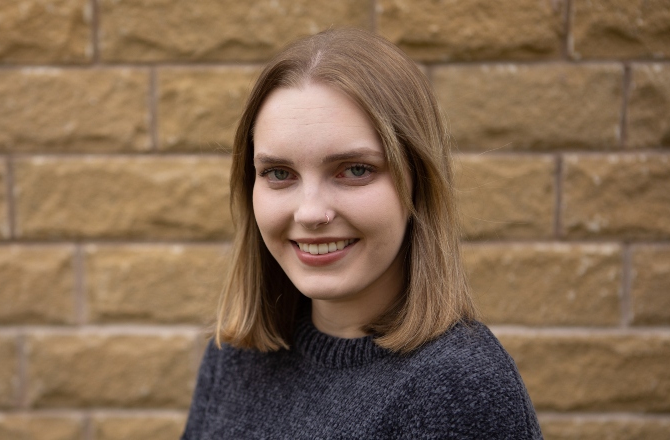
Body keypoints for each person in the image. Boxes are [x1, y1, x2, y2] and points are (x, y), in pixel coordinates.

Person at [182, 28, 542, 439]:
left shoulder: (461, 388)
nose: (311, 212)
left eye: (355, 170)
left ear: (418, 182)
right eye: (279, 173)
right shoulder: (235, 358)